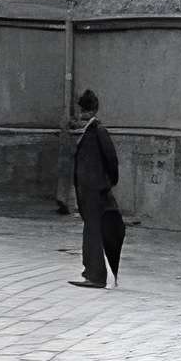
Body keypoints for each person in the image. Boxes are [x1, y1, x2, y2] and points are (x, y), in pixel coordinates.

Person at [69, 88, 124, 289]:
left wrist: (108, 183)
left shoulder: (98, 131)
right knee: (92, 231)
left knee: (92, 232)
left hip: (95, 191)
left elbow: (111, 159)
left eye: (84, 111)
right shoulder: (90, 131)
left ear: (91, 111)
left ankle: (95, 275)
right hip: (90, 191)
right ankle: (93, 272)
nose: (81, 115)